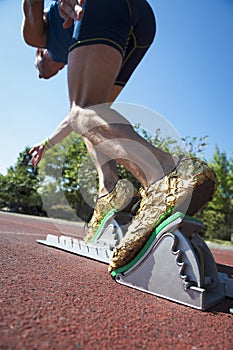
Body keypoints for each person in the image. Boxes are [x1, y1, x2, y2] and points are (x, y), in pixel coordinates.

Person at [22, 0, 217, 273]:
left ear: (40, 54)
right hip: (139, 21)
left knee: (84, 112)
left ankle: (168, 174)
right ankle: (111, 190)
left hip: (104, 8)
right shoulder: (74, 45)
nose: (45, 75)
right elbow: (85, 120)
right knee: (94, 116)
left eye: (39, 70)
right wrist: (46, 144)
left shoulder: (36, 36)